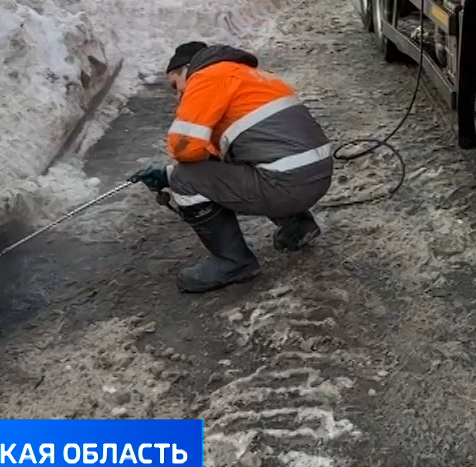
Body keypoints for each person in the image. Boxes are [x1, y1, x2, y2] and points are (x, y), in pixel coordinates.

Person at [128, 41, 334, 292]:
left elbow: (185, 148)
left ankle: (233, 262)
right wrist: (165, 175)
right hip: (318, 176)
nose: (178, 94)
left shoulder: (205, 77)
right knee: (248, 158)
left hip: (286, 185)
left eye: (175, 85)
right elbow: (224, 160)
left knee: (185, 177)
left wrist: (173, 175)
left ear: (187, 69)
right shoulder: (248, 76)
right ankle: (298, 225)